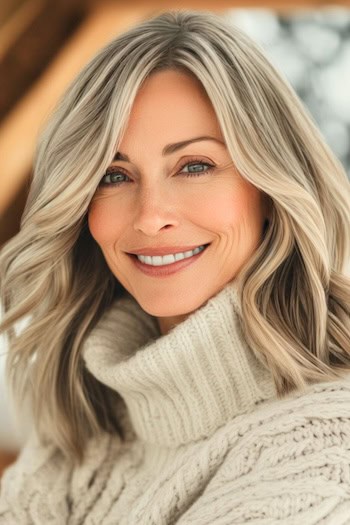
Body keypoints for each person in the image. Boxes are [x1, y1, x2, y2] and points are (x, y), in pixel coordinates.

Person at [0, 8, 350, 524]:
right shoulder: (83, 433)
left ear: (270, 190)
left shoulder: (324, 446)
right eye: (113, 175)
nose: (150, 217)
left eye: (194, 166)